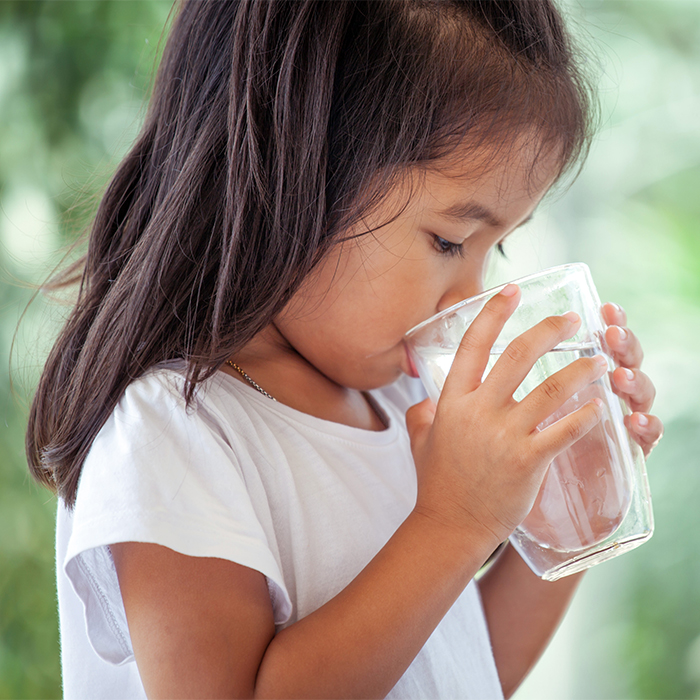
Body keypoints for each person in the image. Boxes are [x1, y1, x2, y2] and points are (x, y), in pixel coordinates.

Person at [26, 1, 664, 698]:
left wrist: (583, 507)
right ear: (288, 170)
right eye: (450, 241)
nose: (468, 296)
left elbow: (459, 669)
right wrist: (454, 523)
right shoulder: (177, 429)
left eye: (498, 245)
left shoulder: (401, 400)